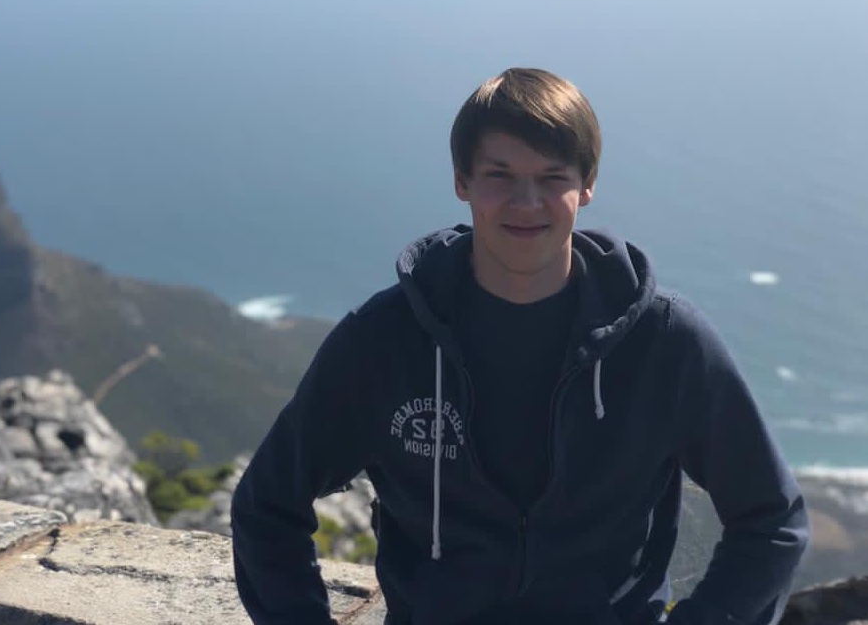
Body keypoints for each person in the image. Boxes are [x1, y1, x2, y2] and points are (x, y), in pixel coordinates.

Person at [231, 67, 809, 625]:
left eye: (553, 177)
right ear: (462, 181)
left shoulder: (664, 340)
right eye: (500, 175)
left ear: (587, 184)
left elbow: (771, 519)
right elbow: (268, 505)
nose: (526, 202)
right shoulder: (383, 339)